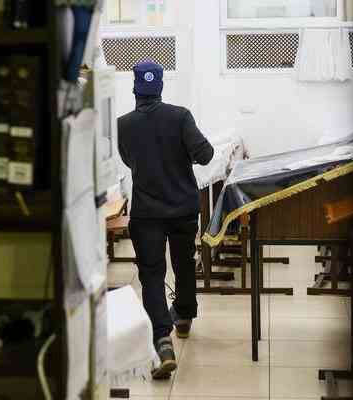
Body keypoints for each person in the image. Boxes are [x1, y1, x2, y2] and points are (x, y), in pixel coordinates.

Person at [117, 61, 214, 379]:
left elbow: (128, 160)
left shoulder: (123, 125)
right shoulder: (180, 116)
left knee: (152, 275)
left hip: (147, 214)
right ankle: (184, 317)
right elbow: (206, 155)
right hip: (184, 208)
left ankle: (163, 341)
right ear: (160, 87)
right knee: (184, 263)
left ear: (135, 89)